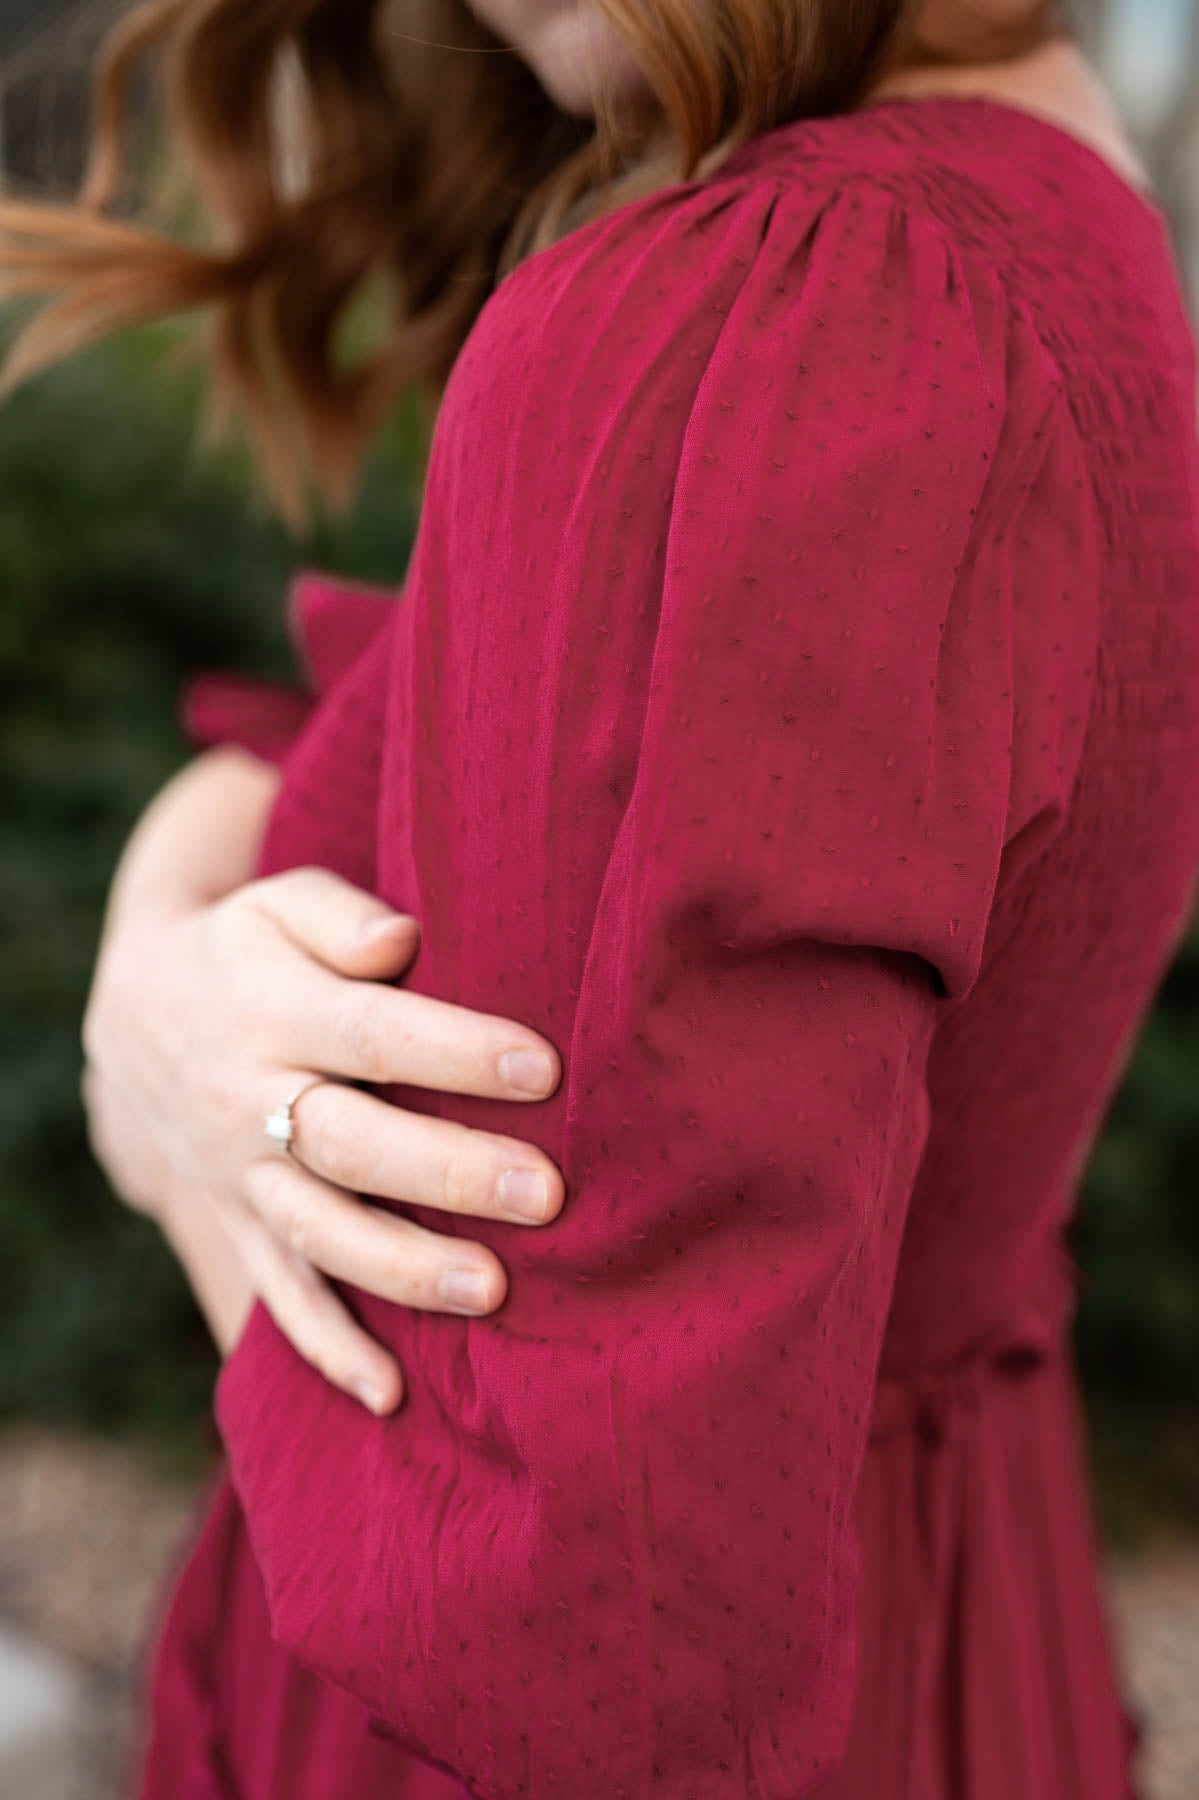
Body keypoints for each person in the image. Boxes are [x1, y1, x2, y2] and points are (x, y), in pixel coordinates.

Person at [1, 1, 1196, 1795]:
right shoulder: (1062, 226)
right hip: (943, 1640)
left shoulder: (789, 315)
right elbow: (385, 740)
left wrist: (175, 1134)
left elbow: (585, 1609)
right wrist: (160, 942)